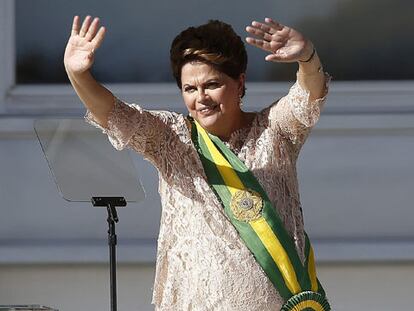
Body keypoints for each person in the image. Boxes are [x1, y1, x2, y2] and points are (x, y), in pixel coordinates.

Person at [64, 15, 331, 311]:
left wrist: (307, 58)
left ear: (239, 82)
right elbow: (114, 115)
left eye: (212, 84)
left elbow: (308, 96)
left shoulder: (274, 131)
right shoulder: (171, 139)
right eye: (190, 89)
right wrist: (79, 76)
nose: (201, 98)